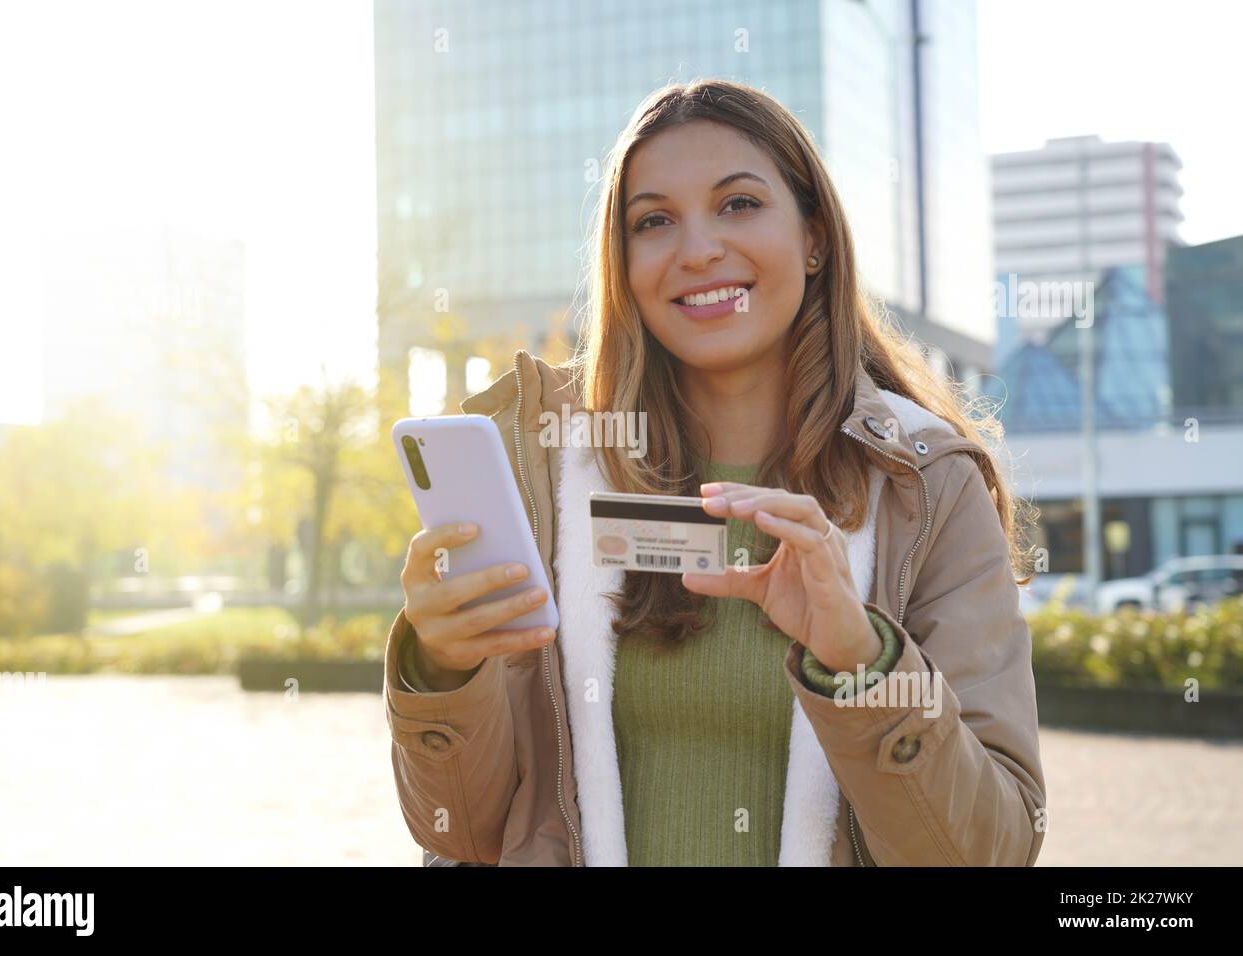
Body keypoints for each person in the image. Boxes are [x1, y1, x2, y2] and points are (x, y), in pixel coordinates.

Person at [384, 78, 1046, 867]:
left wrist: (861, 661)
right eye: (653, 221)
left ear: (815, 236)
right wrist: (442, 669)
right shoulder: (541, 471)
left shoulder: (925, 484)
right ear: (622, 264)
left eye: (739, 204)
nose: (697, 249)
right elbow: (465, 830)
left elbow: (990, 851)